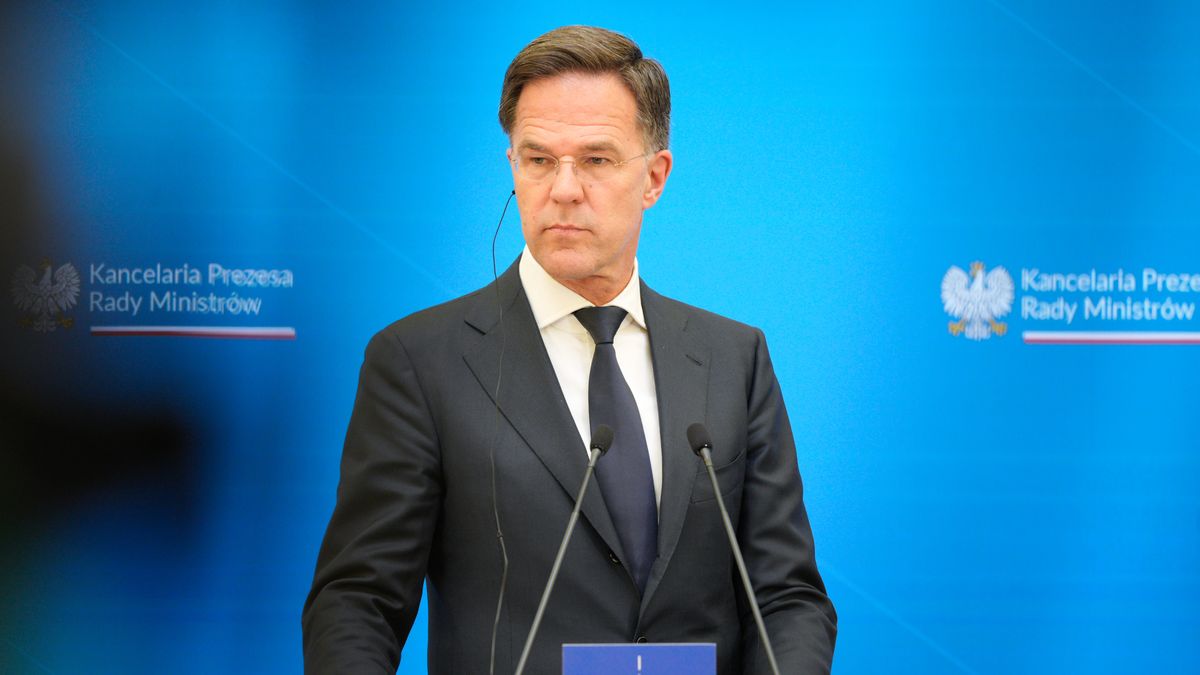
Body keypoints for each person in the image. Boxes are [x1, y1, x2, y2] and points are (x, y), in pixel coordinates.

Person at [302, 25, 836, 674]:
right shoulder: (419, 363)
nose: (563, 188)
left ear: (655, 176)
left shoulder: (735, 359)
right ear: (513, 168)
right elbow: (359, 602)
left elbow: (786, 597)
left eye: (596, 159)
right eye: (538, 159)